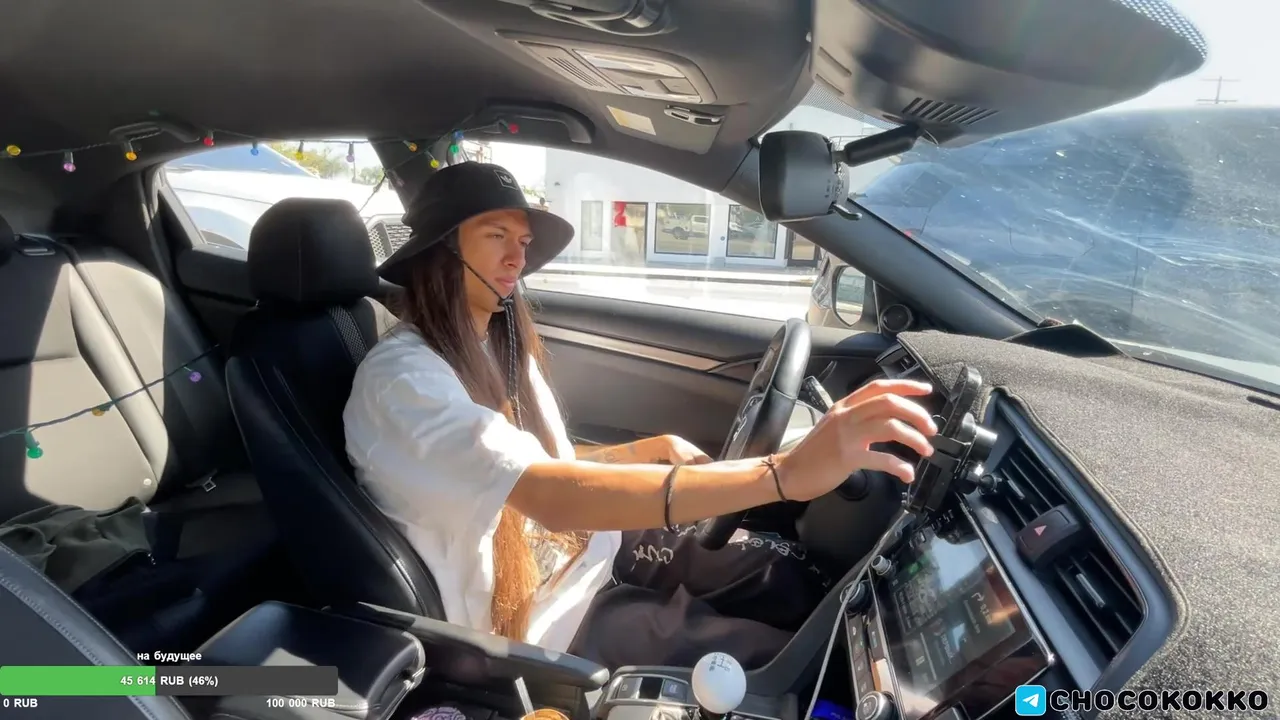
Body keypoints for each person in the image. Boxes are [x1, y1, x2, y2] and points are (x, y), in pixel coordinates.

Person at [344, 162, 938, 670]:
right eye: (496, 235)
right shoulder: (405, 382)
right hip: (549, 616)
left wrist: (643, 451)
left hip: (593, 549)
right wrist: (782, 474)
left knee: (790, 583)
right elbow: (547, 495)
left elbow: (539, 466)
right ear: (441, 249)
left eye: (522, 241)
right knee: (785, 663)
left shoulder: (493, 343)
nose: (517, 257)